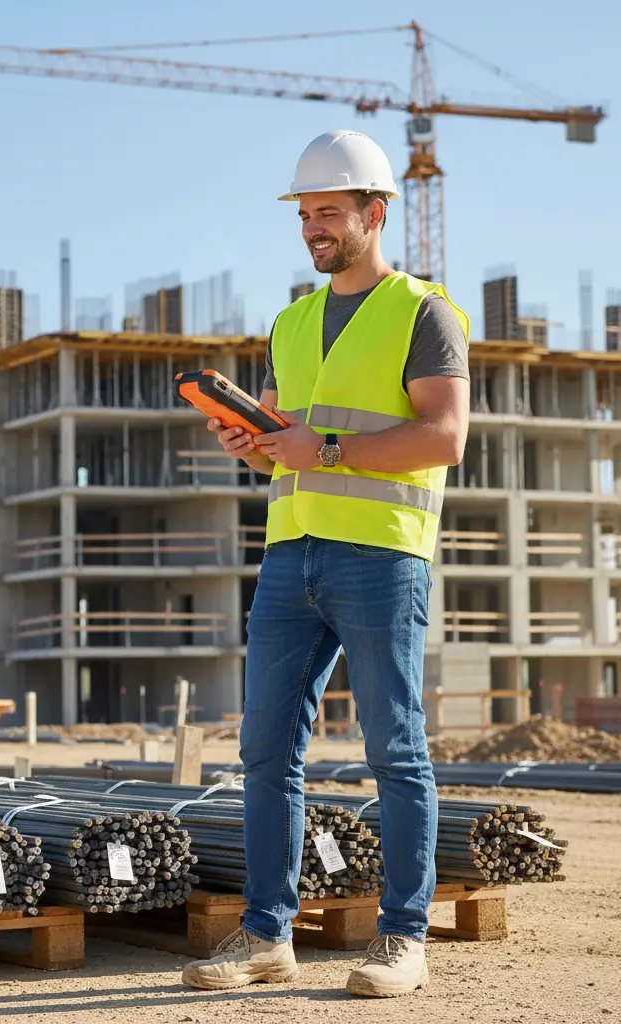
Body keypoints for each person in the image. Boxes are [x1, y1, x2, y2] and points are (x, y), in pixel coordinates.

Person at [181, 130, 470, 998]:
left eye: (329, 213)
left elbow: (445, 438)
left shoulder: (425, 312)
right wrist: (250, 442)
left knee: (394, 748)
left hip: (382, 555)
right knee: (266, 749)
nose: (314, 229)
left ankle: (402, 938)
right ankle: (268, 935)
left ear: (374, 213)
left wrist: (327, 448)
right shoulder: (291, 322)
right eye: (305, 214)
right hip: (289, 556)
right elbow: (284, 448)